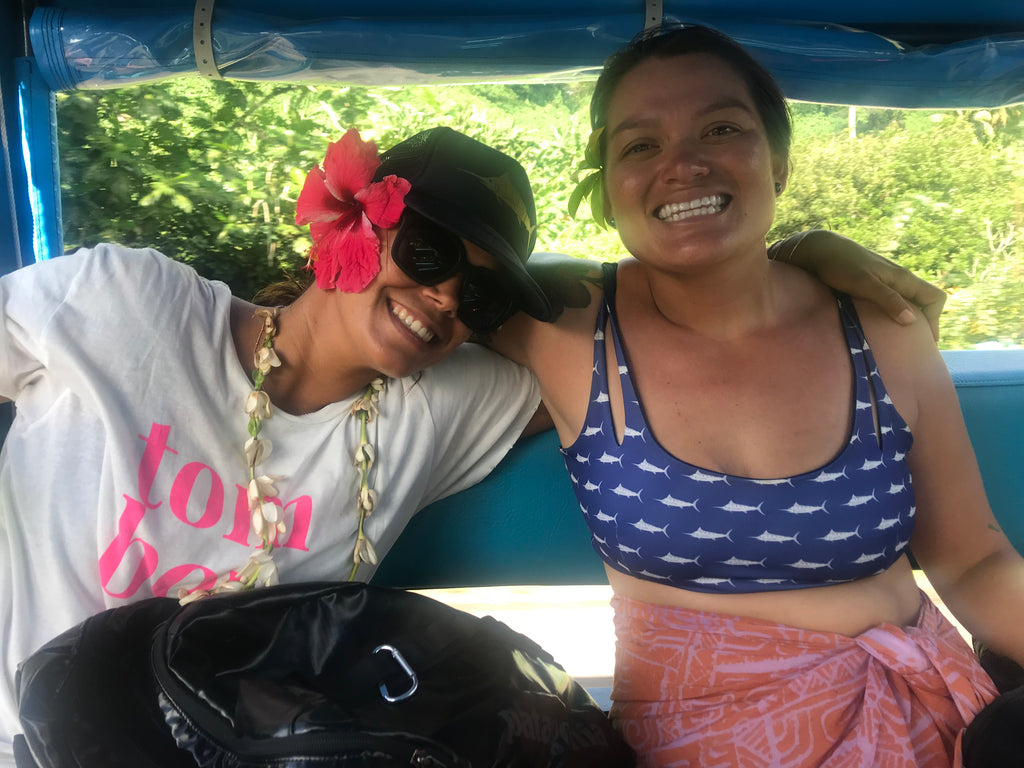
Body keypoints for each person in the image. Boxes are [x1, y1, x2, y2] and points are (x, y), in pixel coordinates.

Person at [0, 122, 939, 762]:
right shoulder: (128, 305)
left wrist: (790, 263)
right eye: (427, 253)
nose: (448, 299)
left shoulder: (436, 408)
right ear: (348, 225)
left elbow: (628, 317)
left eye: (480, 296)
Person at [491, 24, 1024, 768]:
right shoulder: (563, 324)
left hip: (926, 727)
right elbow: (389, 297)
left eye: (722, 128)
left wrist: (809, 251)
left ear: (777, 161)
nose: (683, 164)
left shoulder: (882, 328)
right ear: (607, 190)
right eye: (640, 145)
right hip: (697, 741)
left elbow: (973, 563)